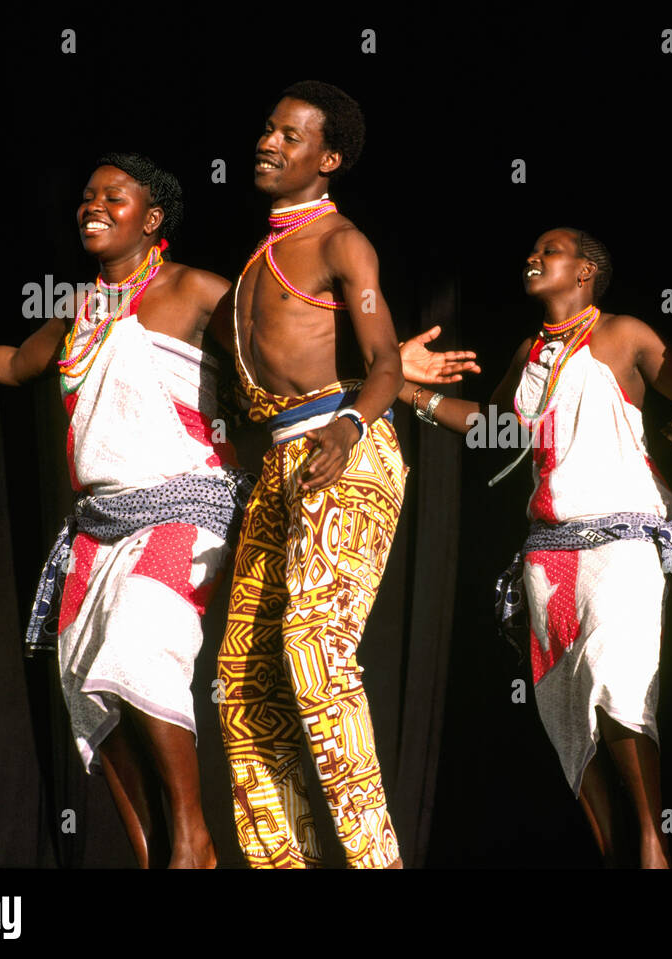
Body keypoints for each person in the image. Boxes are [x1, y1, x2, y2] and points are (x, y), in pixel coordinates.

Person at [0, 153, 241, 868]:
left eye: (114, 196)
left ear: (153, 217)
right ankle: (151, 853)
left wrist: (378, 375)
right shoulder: (77, 309)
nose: (93, 205)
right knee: (92, 693)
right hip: (98, 527)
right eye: (87, 196)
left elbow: (269, 343)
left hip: (183, 505)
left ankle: (193, 841)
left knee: (139, 649)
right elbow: (15, 364)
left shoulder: (195, 289)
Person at [399, 226, 672, 867]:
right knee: (568, 718)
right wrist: (404, 393)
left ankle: (652, 845)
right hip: (547, 557)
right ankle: (615, 853)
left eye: (551, 250)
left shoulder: (625, 334)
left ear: (587, 271)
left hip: (621, 542)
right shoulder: (530, 352)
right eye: (533, 249)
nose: (533, 257)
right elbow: (496, 430)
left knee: (619, 688)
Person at [214, 80, 411, 869]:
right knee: (243, 683)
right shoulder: (258, 258)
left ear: (327, 160)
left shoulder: (341, 243)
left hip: (346, 446)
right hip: (281, 463)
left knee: (316, 650)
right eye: (267, 129)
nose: (268, 142)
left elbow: (387, 361)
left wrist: (352, 419)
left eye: (290, 136)